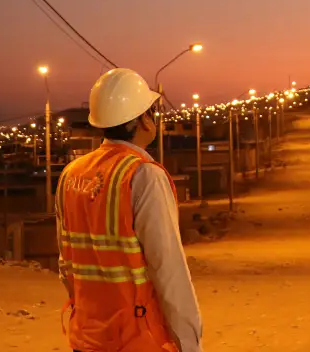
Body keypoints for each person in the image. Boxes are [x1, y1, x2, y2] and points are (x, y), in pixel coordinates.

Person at [56, 67, 203, 352]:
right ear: (140, 121)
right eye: (150, 112)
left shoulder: (71, 174)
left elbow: (66, 265)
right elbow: (168, 270)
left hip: (86, 337)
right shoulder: (143, 175)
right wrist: (190, 343)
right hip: (136, 338)